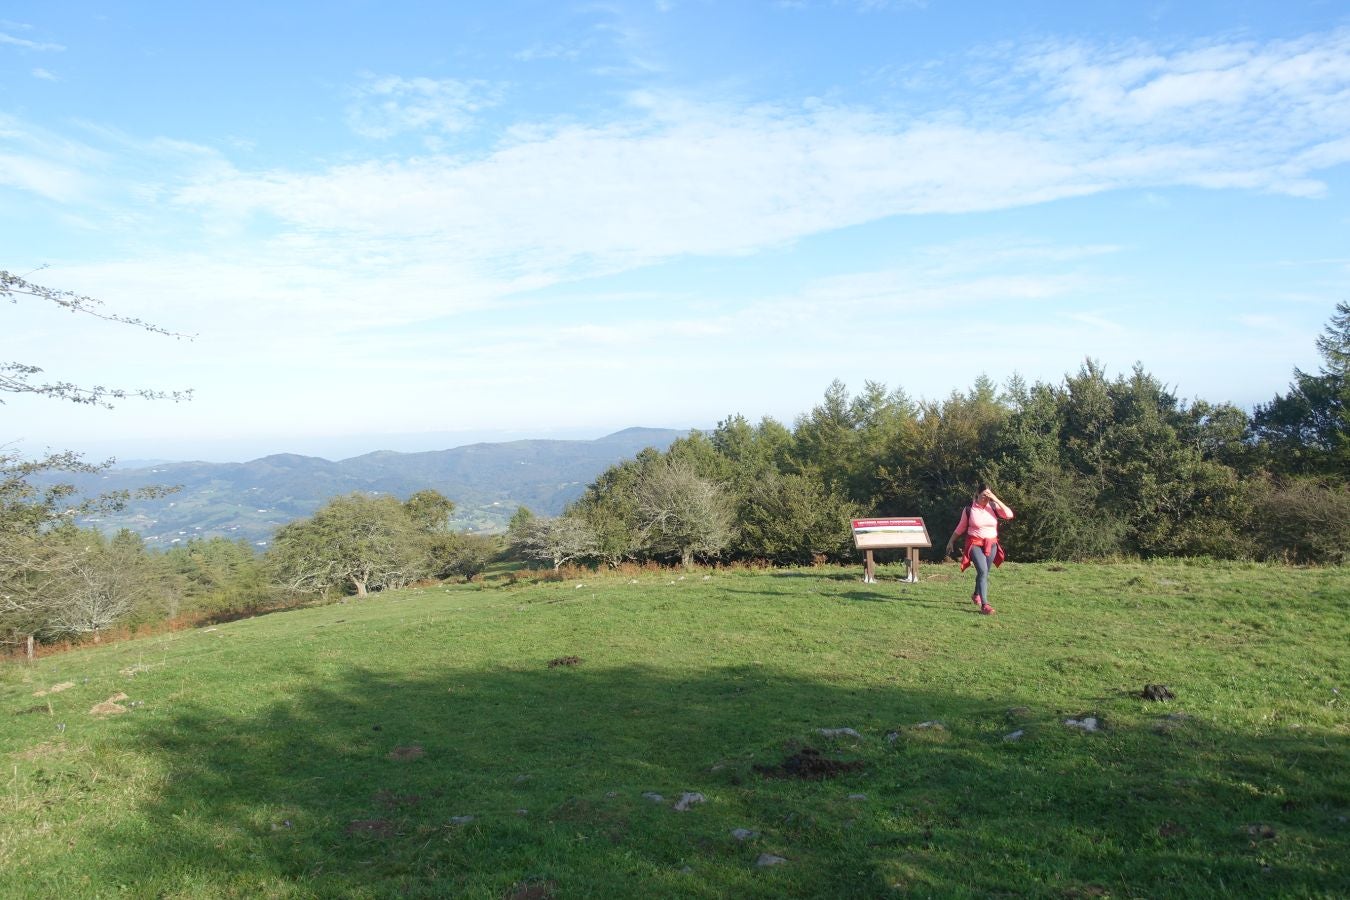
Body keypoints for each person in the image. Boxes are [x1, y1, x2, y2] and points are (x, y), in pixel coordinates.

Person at [944, 483, 1014, 615]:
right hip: (974, 544)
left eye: (988, 496)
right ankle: (985, 605)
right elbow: (961, 527)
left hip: (991, 544)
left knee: (984, 572)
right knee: (982, 571)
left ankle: (976, 594)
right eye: (983, 496)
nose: (985, 499)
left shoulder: (992, 506)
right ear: (977, 493)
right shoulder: (969, 509)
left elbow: (1009, 515)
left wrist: (995, 498)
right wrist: (950, 541)